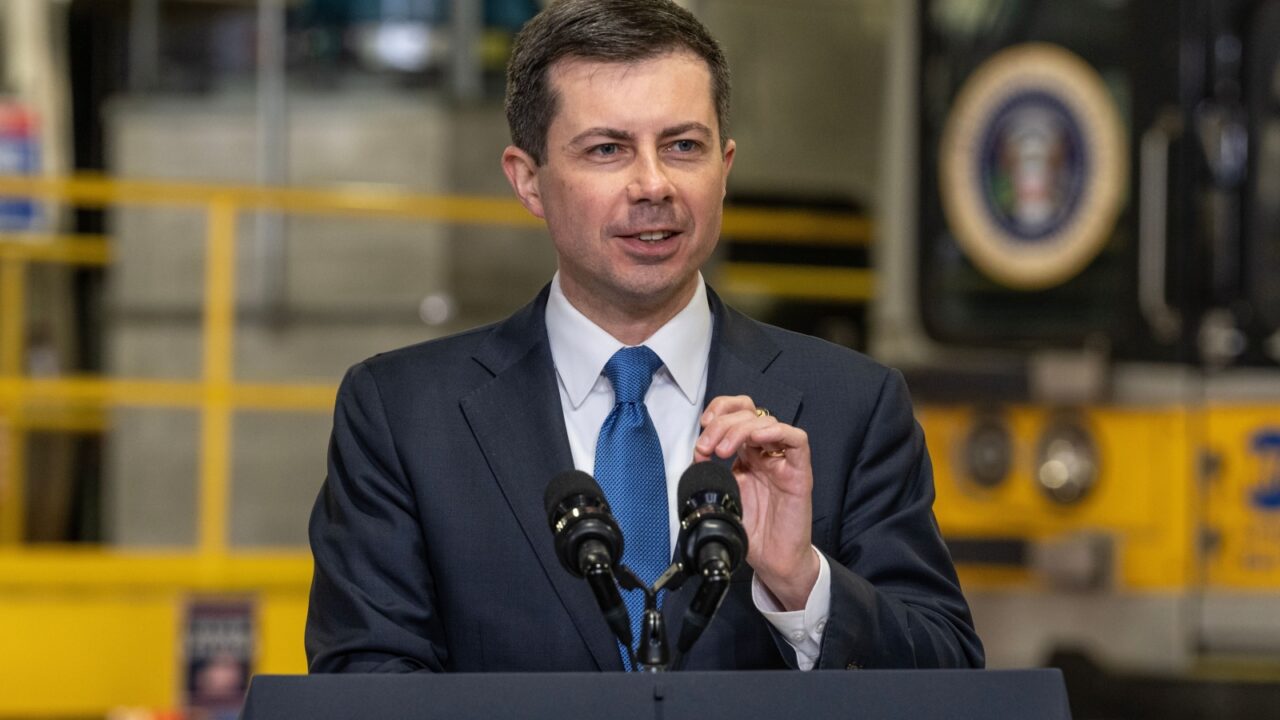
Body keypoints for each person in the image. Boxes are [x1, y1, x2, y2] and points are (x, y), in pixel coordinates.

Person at [306, 0, 983, 673]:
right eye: (608, 149)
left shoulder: (853, 408)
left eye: (683, 146)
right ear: (528, 179)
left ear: (725, 168)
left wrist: (802, 583)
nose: (653, 184)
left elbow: (952, 682)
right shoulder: (402, 415)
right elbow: (365, 685)